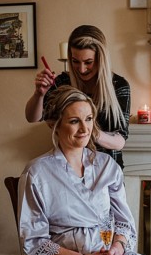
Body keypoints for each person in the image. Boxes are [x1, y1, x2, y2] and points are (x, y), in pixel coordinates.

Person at [18, 86, 151, 255]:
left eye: (88, 119)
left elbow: (124, 222)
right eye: (74, 121)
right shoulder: (37, 173)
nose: (84, 129)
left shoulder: (106, 165)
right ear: (55, 124)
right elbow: (34, 241)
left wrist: (117, 248)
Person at [25, 25, 130, 167]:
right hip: (69, 167)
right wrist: (39, 94)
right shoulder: (62, 82)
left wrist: (85, 129)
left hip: (107, 170)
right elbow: (32, 117)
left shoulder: (118, 86)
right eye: (75, 61)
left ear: (101, 58)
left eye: (88, 62)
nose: (81, 69)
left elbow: (119, 142)